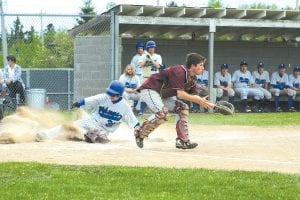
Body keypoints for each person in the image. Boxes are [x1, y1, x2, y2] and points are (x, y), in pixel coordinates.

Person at [134, 53, 215, 150]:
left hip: (162, 94)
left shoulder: (192, 79)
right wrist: (199, 100)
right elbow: (181, 94)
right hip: (151, 89)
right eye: (201, 65)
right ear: (193, 65)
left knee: (182, 108)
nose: (203, 68)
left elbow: (193, 96)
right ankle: (139, 133)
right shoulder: (180, 71)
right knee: (163, 114)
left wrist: (210, 104)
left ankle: (182, 140)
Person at [36, 80, 141, 143]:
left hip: (104, 131)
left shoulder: (125, 107)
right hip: (90, 121)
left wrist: (139, 130)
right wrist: (79, 103)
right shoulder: (104, 97)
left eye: (113, 94)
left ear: (120, 95)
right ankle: (45, 134)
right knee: (67, 126)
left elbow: (134, 122)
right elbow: (89, 100)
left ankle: (83, 136)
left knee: (92, 138)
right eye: (110, 93)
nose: (111, 96)